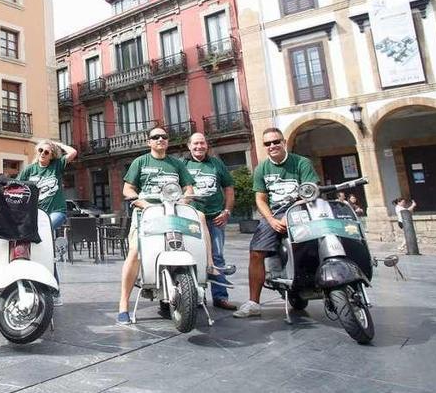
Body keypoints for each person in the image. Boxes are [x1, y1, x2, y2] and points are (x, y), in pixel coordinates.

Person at [233, 127, 319, 318]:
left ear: (284, 142)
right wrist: (271, 219)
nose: (272, 146)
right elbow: (260, 199)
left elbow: (310, 192)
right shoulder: (261, 168)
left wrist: (290, 214)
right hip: (274, 215)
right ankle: (253, 303)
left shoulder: (301, 163)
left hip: (301, 210)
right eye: (268, 143)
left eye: (276, 141)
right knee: (256, 252)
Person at [117, 127, 196, 325]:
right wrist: (142, 202)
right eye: (155, 137)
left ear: (167, 141)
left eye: (164, 137)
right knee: (135, 251)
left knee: (193, 240)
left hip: (173, 211)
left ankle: (209, 267)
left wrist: (185, 200)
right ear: (149, 142)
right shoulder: (140, 162)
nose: (160, 139)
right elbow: (127, 188)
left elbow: (189, 187)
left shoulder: (177, 163)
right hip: (146, 213)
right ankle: (123, 305)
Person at [17, 138, 78, 305]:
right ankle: (53, 289)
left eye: (47, 152)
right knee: (44, 251)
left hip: (56, 212)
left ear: (52, 155)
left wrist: (56, 144)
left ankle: (53, 289)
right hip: (35, 215)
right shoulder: (29, 170)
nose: (43, 154)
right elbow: (16, 187)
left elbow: (73, 152)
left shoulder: (56, 166)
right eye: (40, 151)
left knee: (44, 230)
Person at [183, 132, 237, 311]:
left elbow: (228, 188)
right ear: (189, 146)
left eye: (202, 143)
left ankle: (220, 297)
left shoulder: (216, 163)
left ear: (207, 145)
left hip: (215, 217)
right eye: (196, 144)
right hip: (191, 218)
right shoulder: (182, 164)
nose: (199, 147)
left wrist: (227, 211)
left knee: (217, 256)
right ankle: (197, 296)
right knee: (192, 256)